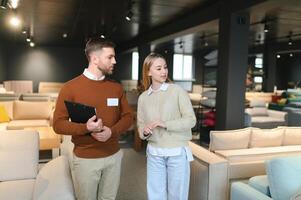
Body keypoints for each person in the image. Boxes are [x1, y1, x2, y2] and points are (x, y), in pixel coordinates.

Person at [53, 38, 134, 200]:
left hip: (114, 156)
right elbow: (58, 124)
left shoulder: (116, 87)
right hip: (86, 160)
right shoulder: (70, 88)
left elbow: (128, 117)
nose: (115, 61)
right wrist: (86, 128)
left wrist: (112, 131)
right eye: (110, 57)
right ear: (95, 59)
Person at [137, 53, 196, 200]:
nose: (164, 71)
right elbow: (140, 125)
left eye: (165, 67)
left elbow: (191, 120)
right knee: (155, 195)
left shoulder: (177, 91)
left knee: (178, 195)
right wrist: (144, 131)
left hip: (177, 152)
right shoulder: (143, 97)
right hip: (154, 153)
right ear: (148, 72)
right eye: (158, 68)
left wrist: (166, 124)